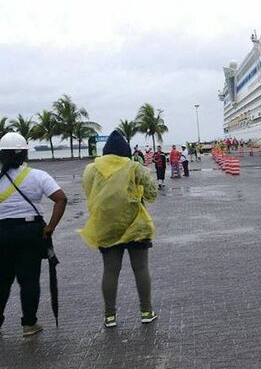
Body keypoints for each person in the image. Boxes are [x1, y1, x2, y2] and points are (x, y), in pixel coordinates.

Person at [79, 130, 158, 328]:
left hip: (107, 226)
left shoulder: (91, 169)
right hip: (136, 225)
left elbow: (89, 192)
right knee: (140, 268)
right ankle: (146, 311)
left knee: (110, 271)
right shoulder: (134, 167)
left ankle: (110, 316)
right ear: (126, 151)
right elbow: (152, 193)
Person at [0, 132, 67, 337]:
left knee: (1, 280)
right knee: (28, 280)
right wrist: (50, 227)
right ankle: (29, 324)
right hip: (30, 232)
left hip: (2, 232)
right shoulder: (38, 175)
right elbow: (60, 199)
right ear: (25, 154)